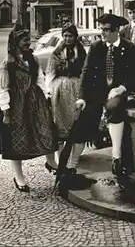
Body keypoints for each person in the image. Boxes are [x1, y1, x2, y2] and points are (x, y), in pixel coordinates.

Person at [0, 23, 57, 192]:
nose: (28, 43)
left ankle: (51, 161)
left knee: (47, 130)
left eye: (29, 40)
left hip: (35, 101)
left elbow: (40, 78)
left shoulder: (33, 58)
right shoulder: (8, 63)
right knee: (16, 140)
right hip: (16, 103)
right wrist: (6, 111)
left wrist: (47, 97)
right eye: (25, 40)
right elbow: (2, 88)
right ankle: (19, 177)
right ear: (16, 42)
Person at [75, 13, 135, 178]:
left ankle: (116, 155)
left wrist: (122, 88)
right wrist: (82, 96)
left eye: (107, 30)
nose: (103, 33)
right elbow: (86, 72)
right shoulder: (97, 47)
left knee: (114, 107)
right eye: (101, 29)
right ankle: (71, 164)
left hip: (117, 92)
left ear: (116, 30)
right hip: (97, 92)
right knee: (85, 117)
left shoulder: (129, 47)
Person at [45, 24, 87, 175]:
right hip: (60, 90)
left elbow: (85, 72)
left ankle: (72, 163)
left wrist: (84, 91)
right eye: (65, 36)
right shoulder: (56, 52)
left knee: (76, 125)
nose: (68, 39)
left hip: (76, 89)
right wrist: (48, 92)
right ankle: (61, 162)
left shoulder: (81, 52)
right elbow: (50, 72)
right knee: (60, 125)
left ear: (75, 37)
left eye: (70, 36)